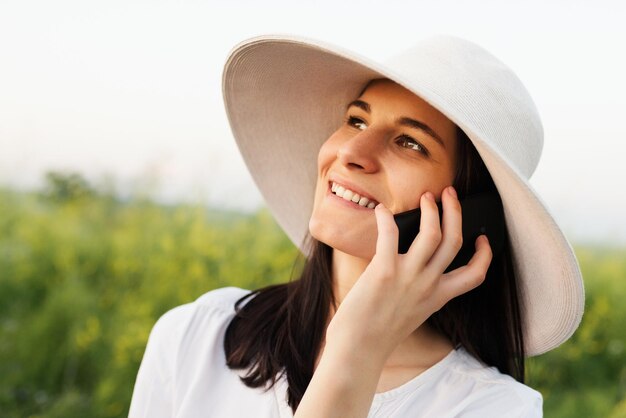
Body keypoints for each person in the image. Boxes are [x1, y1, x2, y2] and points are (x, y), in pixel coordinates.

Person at [129, 34, 584, 418]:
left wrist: (355, 346)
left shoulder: (492, 409)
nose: (351, 152)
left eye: (410, 143)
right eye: (355, 119)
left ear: (471, 210)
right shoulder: (199, 336)